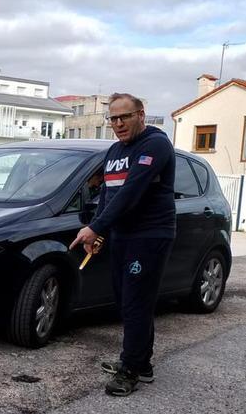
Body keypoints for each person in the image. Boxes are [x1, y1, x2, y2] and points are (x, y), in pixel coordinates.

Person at [70, 92, 176, 397]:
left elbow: (132, 192)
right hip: (123, 235)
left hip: (150, 235)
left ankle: (130, 368)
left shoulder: (156, 144)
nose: (118, 124)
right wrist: (101, 233)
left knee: (136, 301)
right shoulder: (115, 150)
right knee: (125, 299)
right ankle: (141, 363)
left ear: (141, 115)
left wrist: (95, 228)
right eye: (113, 118)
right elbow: (109, 195)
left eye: (124, 117)